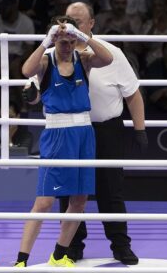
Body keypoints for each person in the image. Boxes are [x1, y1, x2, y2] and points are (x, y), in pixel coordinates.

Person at [23, 2, 148, 265]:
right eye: (69, 20)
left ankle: (120, 245)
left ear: (91, 24)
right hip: (68, 131)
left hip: (106, 130)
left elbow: (133, 93)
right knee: (69, 193)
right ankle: (70, 247)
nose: (73, 25)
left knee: (110, 190)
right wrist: (31, 93)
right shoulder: (53, 55)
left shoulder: (104, 53)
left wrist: (140, 129)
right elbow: (32, 84)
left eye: (79, 22)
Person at [14, 15, 113, 268]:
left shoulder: (85, 59)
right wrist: (46, 40)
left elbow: (108, 58)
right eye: (61, 40)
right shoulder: (46, 61)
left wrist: (82, 36)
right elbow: (26, 70)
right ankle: (21, 259)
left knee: (79, 201)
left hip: (84, 133)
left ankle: (60, 254)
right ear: (54, 40)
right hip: (57, 135)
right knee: (44, 201)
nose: (66, 45)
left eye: (70, 40)